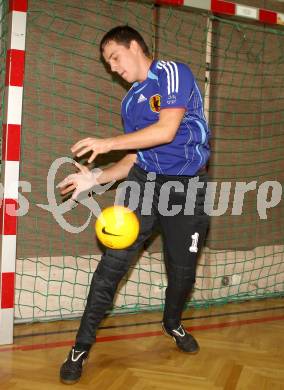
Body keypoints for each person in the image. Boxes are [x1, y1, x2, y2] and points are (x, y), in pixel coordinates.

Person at [58, 25, 210, 385]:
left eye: (114, 57)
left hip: (187, 188)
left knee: (183, 273)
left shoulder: (172, 73)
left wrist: (108, 142)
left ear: (135, 47)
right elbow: (135, 158)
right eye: (107, 63)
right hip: (145, 187)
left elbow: (166, 130)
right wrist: (95, 178)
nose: (112, 68)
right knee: (112, 265)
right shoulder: (130, 102)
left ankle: (172, 322)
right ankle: (79, 347)